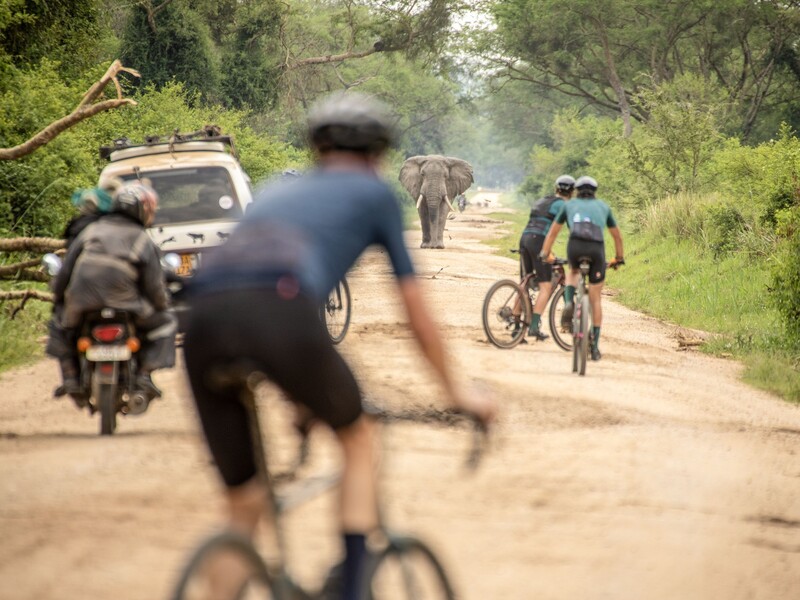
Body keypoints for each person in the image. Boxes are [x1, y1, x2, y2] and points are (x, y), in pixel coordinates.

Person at [182, 91, 496, 600]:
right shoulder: (373, 195)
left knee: (243, 505)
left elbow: (247, 297)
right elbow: (414, 313)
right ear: (381, 156)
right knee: (358, 437)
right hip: (282, 318)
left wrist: (300, 397)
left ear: (316, 149)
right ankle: (351, 589)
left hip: (201, 324)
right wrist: (457, 393)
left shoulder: (271, 193)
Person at [48, 182, 177, 400]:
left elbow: (66, 272)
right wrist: (163, 305)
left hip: (80, 304)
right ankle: (144, 374)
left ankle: (70, 376)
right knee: (167, 323)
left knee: (59, 325)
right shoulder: (143, 240)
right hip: (127, 306)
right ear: (142, 210)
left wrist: (59, 299)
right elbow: (154, 287)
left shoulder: (91, 231)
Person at [539, 175, 624, 361]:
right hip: (596, 250)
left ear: (576, 191)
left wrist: (545, 253)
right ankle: (594, 347)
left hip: (575, 247)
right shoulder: (603, 207)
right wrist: (618, 258)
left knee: (573, 271)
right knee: (595, 300)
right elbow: (617, 236)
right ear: (595, 192)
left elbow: (553, 232)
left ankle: (569, 302)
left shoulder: (569, 205)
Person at [517, 174, 577, 341]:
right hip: (539, 242)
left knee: (524, 283)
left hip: (524, 239)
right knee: (546, 286)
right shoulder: (564, 206)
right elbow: (573, 230)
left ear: (556, 188)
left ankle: (516, 323)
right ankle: (534, 327)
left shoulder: (542, 200)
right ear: (571, 192)